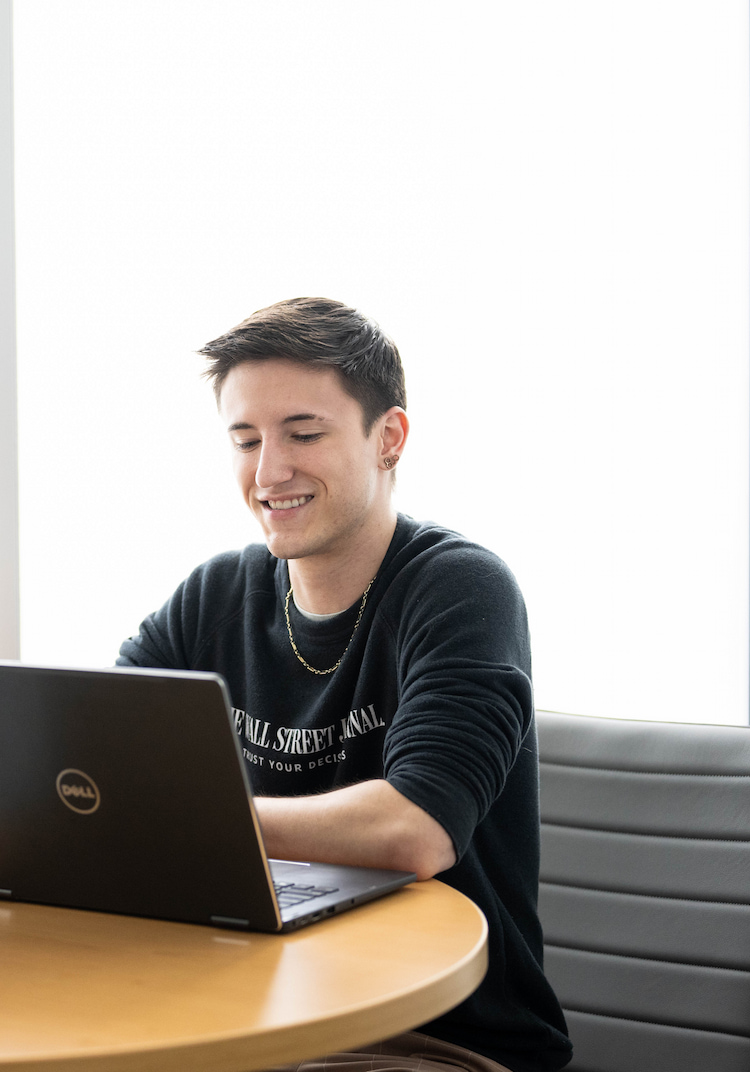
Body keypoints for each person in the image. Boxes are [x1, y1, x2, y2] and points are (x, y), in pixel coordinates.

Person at [116, 299, 571, 1072]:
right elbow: (100, 757)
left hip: (438, 1039)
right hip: (256, 1015)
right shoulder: (216, 596)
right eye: (246, 440)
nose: (269, 472)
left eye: (303, 433)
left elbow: (417, 828)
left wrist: (200, 819)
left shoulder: (460, 589)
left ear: (388, 437)